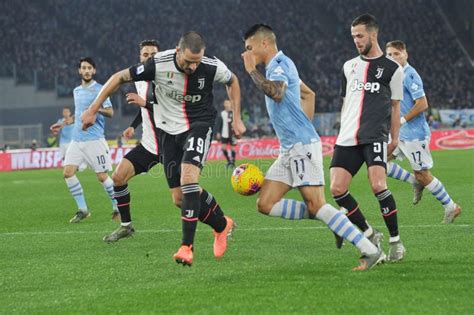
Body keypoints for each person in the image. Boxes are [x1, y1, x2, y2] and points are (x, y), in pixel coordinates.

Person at [81, 32, 246, 266]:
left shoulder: (211, 66)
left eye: (196, 61)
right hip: (167, 133)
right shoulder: (158, 64)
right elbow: (118, 77)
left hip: (199, 125)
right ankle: (222, 225)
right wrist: (92, 109)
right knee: (180, 198)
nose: (192, 67)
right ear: (178, 52)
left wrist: (236, 118)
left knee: (189, 179)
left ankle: (186, 247)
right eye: (188, 61)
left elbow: (233, 81)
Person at [241, 23, 384, 271]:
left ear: (264, 43)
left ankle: (370, 250)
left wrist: (252, 71)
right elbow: (309, 94)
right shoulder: (282, 66)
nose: (247, 53)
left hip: (301, 146)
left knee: (316, 204)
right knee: (265, 204)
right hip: (290, 148)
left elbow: (276, 92)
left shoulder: (279, 64)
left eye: (249, 48)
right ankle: (334, 218)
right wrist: (299, 123)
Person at [329, 14, 406, 262]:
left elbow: (395, 107)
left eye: (360, 35)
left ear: (373, 34)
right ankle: (369, 233)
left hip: (374, 136)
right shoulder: (348, 66)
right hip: (347, 136)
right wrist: (340, 131)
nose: (356, 40)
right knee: (337, 189)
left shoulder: (393, 69)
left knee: (378, 185)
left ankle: (396, 241)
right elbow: (345, 103)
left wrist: (394, 138)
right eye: (353, 36)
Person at [385, 40, 461, 223]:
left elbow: (423, 104)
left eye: (397, 54)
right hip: (399, 133)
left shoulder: (410, 75)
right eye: (389, 55)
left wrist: (402, 120)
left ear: (405, 54)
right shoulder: (393, 75)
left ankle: (451, 206)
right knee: (378, 161)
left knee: (423, 174)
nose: (393, 58)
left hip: (414, 134)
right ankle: (414, 182)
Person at [103, 39, 163, 242]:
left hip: (171, 145)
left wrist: (144, 102)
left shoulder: (167, 78)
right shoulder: (138, 79)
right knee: (118, 177)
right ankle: (126, 226)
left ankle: (221, 222)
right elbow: (144, 109)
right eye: (145, 54)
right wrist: (132, 126)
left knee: (183, 196)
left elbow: (171, 111)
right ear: (140, 57)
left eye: (153, 54)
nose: (149, 57)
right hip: (149, 145)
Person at [63, 57, 118, 223]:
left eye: (89, 68)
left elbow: (110, 112)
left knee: (101, 176)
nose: (86, 71)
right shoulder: (76, 91)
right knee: (67, 173)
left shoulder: (101, 90)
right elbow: (80, 113)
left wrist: (96, 109)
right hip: (76, 139)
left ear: (93, 71)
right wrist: (67, 122)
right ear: (80, 71)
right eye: (83, 68)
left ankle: (117, 206)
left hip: (94, 140)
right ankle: (83, 209)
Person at [216, 99, 237, 168]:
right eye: (226, 103)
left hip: (232, 134)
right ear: (224, 105)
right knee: (223, 148)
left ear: (230, 104)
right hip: (224, 134)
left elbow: (237, 123)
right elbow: (219, 124)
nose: (227, 105)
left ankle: (233, 162)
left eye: (228, 103)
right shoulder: (222, 113)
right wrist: (218, 132)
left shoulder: (233, 113)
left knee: (233, 148)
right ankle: (228, 161)